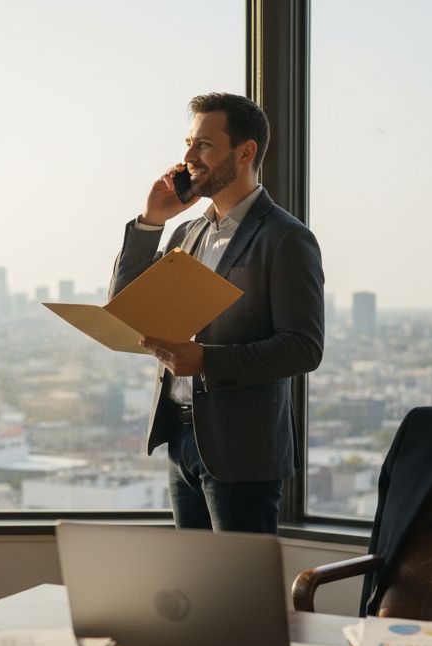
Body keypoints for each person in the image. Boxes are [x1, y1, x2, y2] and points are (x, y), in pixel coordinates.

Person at [110, 92, 325, 533]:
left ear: (245, 152)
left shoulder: (285, 238)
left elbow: (304, 348)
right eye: (189, 143)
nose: (188, 156)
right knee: (196, 590)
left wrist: (206, 360)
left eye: (203, 145)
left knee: (239, 592)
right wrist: (152, 221)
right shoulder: (188, 233)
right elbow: (127, 304)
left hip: (243, 451)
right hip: (181, 439)